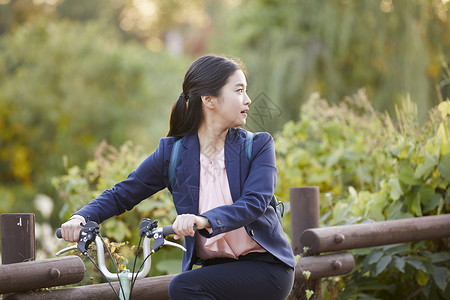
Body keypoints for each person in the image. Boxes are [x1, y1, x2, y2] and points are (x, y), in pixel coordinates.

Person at [60, 54, 296, 300]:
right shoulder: (172, 153)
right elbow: (123, 194)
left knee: (183, 287)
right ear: (209, 99)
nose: (248, 100)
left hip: (266, 267)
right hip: (216, 270)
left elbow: (254, 203)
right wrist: (81, 217)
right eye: (239, 91)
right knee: (187, 285)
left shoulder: (258, 145)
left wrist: (204, 220)